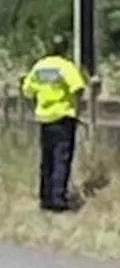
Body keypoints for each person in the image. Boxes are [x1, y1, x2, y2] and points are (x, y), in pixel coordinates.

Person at [20, 34, 87, 212]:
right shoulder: (66, 66)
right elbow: (78, 88)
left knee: (47, 160)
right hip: (63, 118)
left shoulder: (40, 66)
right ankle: (58, 199)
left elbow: (27, 90)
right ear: (65, 48)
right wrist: (77, 109)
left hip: (44, 118)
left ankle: (45, 197)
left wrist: (36, 107)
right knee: (61, 159)